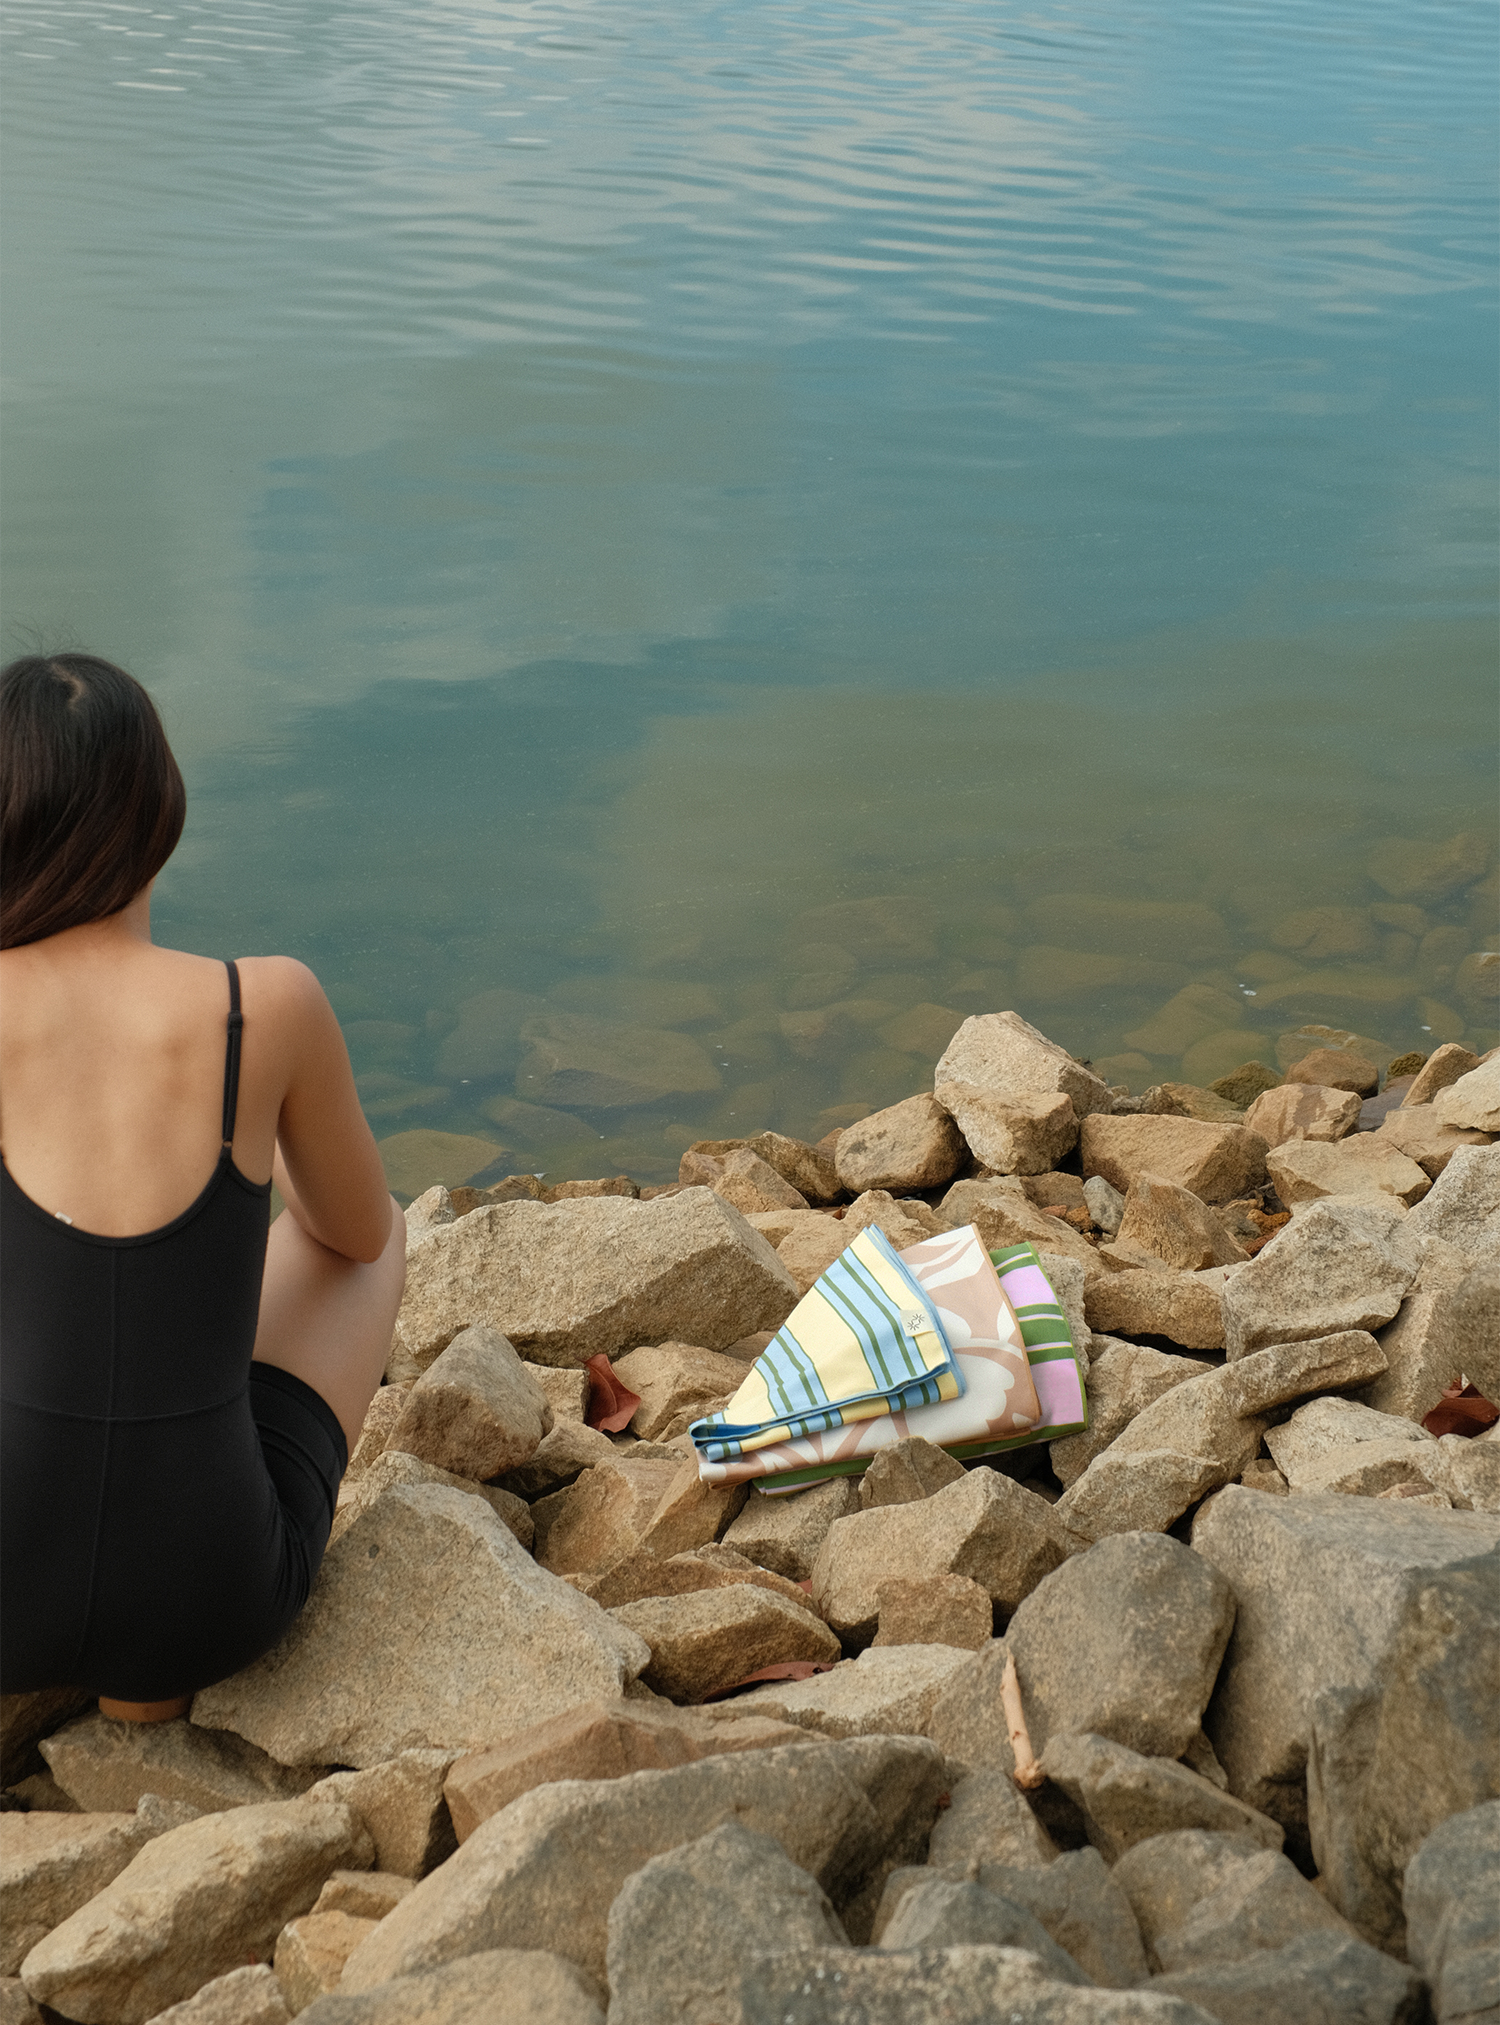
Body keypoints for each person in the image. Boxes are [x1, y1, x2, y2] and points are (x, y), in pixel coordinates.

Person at [0, 653, 405, 1723]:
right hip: (209, 1599)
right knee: (373, 1232)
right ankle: (144, 1689)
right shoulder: (264, 1004)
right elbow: (355, 1235)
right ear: (159, 813)